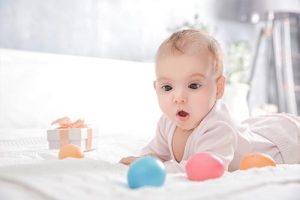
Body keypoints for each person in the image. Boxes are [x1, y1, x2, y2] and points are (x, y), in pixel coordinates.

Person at [119, 29, 300, 172]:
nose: (179, 98)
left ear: (219, 88)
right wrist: (143, 161)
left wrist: (159, 169)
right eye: (167, 87)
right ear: (156, 88)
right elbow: (156, 153)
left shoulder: (219, 128)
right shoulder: (167, 123)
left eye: (194, 86)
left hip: (284, 143)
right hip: (249, 131)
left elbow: (200, 169)